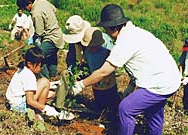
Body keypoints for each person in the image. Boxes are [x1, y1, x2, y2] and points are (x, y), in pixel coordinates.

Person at [72, 4, 181, 135]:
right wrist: (130, 88)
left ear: (113, 28)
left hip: (160, 83)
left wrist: (80, 85)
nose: (106, 32)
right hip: (169, 78)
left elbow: (104, 71)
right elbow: (141, 66)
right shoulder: (135, 32)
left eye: (106, 29)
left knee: (125, 108)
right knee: (154, 110)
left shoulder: (125, 42)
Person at [6, 47, 74, 121]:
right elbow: (30, 101)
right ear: (30, 64)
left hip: (14, 103)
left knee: (50, 93)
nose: (41, 68)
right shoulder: (29, 75)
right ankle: (38, 113)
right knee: (45, 81)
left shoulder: (23, 69)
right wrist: (47, 109)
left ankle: (39, 110)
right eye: (40, 65)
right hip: (20, 106)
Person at [17, 0, 65, 79]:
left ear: (29, 4)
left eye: (25, 8)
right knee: (50, 57)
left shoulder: (36, 13)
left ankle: (44, 79)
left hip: (51, 38)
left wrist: (34, 38)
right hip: (57, 35)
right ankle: (53, 76)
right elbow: (54, 10)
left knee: (37, 56)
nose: (26, 10)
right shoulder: (43, 1)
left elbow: (39, 32)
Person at [179, 38, 188, 113]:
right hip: (186, 77)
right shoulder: (185, 52)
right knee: (186, 95)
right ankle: (186, 110)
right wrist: (180, 75)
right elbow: (181, 64)